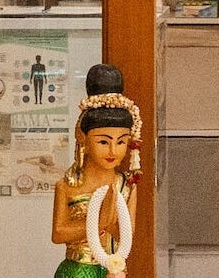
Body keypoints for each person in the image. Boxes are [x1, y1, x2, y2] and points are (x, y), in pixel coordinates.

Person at [50, 64, 141, 278]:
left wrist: (112, 218)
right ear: (84, 139)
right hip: (77, 268)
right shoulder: (68, 185)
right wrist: (99, 223)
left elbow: (126, 235)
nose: (113, 151)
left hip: (113, 268)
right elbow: (58, 233)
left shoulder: (126, 185)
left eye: (121, 142)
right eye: (103, 141)